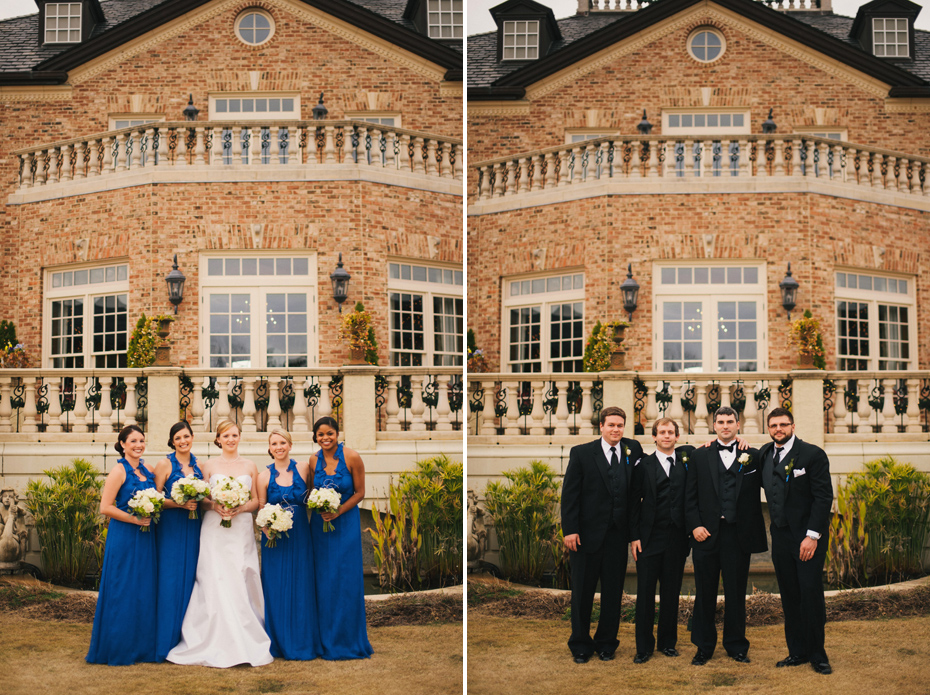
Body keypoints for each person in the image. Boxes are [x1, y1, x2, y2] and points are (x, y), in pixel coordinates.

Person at [166, 419, 272, 668]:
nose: (231, 440)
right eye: (226, 436)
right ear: (218, 439)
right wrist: (215, 505)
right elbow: (202, 498)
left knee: (240, 574)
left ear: (239, 437)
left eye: (234, 435)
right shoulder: (207, 465)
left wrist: (240, 508)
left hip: (241, 528)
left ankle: (247, 636)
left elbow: (257, 501)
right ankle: (210, 636)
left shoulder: (250, 465)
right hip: (214, 527)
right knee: (214, 577)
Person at [561, 406, 643, 663]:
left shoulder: (633, 450)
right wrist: (570, 529)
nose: (616, 430)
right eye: (611, 425)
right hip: (585, 537)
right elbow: (570, 495)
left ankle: (607, 643)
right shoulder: (582, 453)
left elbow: (666, 450)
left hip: (617, 538)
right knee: (582, 593)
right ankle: (580, 645)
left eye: (620, 425)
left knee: (612, 593)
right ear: (601, 427)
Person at [685, 406, 767, 665]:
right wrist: (695, 526)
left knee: (735, 593)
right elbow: (689, 497)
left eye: (730, 421)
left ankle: (736, 646)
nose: (725, 426)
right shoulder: (699, 456)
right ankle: (704, 646)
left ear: (738, 424)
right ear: (713, 425)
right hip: (706, 535)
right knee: (704, 592)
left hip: (737, 535)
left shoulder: (753, 456)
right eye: (720, 422)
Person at [759, 408, 833, 675]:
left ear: (792, 425)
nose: (778, 429)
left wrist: (812, 536)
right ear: (768, 428)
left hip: (807, 538)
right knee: (789, 595)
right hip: (780, 536)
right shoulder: (765, 454)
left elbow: (823, 498)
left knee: (810, 594)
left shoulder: (812, 455)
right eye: (773, 425)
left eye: (783, 424)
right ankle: (797, 651)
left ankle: (818, 655)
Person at [86, 425, 158, 665]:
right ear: (123, 444)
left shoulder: (148, 469)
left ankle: (142, 647)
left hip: (146, 535)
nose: (138, 445)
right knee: (123, 587)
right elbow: (105, 507)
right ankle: (118, 646)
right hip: (125, 535)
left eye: (142, 440)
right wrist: (133, 518)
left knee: (143, 588)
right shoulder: (118, 471)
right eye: (133, 441)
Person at [630, 417, 694, 663]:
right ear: (654, 436)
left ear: (677, 437)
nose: (666, 436)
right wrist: (634, 536)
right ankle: (643, 647)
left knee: (671, 593)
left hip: (677, 538)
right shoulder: (643, 465)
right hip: (648, 538)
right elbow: (634, 503)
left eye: (671, 432)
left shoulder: (687, 461)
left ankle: (668, 643)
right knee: (645, 593)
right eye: (662, 432)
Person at [310, 416, 373, 660]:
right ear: (315, 437)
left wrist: (338, 510)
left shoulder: (353, 457)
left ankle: (348, 639)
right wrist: (317, 506)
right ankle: (325, 639)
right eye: (320, 435)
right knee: (324, 580)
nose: (325, 438)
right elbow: (309, 491)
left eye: (330, 434)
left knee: (346, 579)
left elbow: (360, 493)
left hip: (345, 523)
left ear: (337, 434)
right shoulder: (312, 460)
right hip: (320, 526)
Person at [257, 428, 322, 660]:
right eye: (274, 443)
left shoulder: (304, 468)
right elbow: (261, 507)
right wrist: (266, 528)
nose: (278, 447)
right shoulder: (263, 476)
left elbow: (315, 493)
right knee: (276, 586)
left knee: (301, 585)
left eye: (282, 442)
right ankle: (278, 641)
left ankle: (303, 639)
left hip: (301, 536)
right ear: (269, 448)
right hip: (275, 540)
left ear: (290, 445)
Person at [153, 421, 203, 662]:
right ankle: (165, 641)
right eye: (178, 438)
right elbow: (154, 498)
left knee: (191, 578)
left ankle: (188, 638)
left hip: (194, 527)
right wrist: (178, 503)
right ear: (172, 441)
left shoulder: (199, 465)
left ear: (192, 437)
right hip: (171, 527)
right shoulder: (164, 464)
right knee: (170, 580)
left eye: (186, 436)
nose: (183, 441)